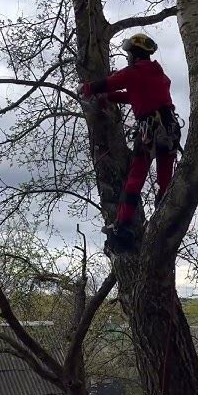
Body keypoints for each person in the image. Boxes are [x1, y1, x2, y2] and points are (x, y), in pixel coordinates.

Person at [78, 33, 181, 251]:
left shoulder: (134, 72)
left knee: (135, 179)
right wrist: (111, 98)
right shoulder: (159, 76)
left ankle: (122, 224)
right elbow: (135, 95)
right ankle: (164, 218)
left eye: (129, 55)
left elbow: (111, 82)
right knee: (165, 179)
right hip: (170, 130)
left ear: (134, 55)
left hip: (149, 130)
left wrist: (86, 89)